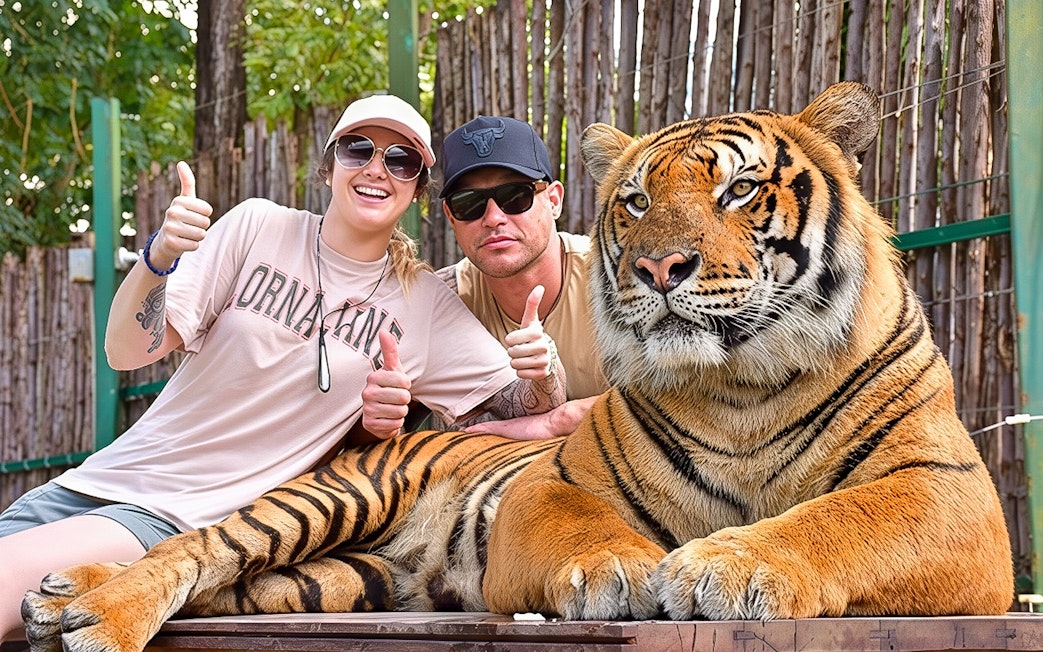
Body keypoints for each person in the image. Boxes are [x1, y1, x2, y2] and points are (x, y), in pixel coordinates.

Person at [0, 95, 565, 642]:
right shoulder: (257, 227)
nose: (377, 168)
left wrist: (542, 369)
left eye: (401, 160)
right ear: (329, 166)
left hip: (185, 522)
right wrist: (159, 257)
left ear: (417, 189)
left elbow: (528, 408)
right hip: (93, 482)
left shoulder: (426, 306)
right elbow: (126, 353)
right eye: (358, 149)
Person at [435, 115, 610, 440]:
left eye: (515, 196)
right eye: (468, 203)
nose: (493, 218)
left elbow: (687, 396)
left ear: (554, 201)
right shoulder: (441, 301)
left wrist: (560, 421)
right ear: (450, 217)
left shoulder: (614, 279)